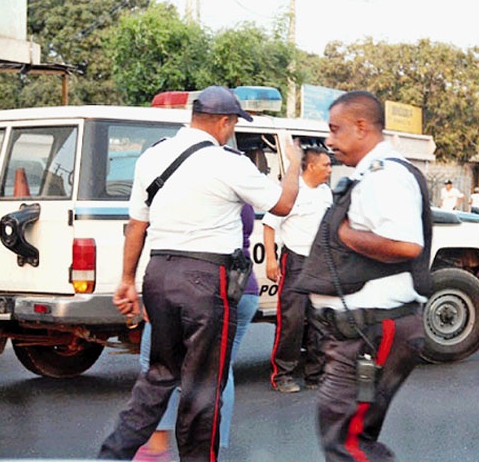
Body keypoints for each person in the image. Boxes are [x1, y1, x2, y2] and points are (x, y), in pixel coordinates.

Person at [98, 85, 302, 462]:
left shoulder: (153, 155)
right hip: (207, 281)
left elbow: (137, 225)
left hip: (158, 275)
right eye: (234, 124)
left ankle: (111, 456)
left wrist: (127, 280)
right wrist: (293, 166)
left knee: (157, 377)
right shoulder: (229, 162)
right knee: (202, 388)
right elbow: (284, 203)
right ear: (224, 122)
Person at [296, 91, 431, 462]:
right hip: (360, 332)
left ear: (361, 127)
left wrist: (345, 234)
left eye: (335, 130)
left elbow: (406, 245)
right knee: (352, 439)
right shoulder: (369, 174)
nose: (329, 140)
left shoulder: (385, 176)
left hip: (371, 331)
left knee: (347, 444)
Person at [133, 204, 261, 462]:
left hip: (200, 286)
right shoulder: (239, 179)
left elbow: (166, 239)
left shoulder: (198, 182)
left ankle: (157, 448)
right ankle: (212, 450)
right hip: (242, 287)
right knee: (219, 369)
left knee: (156, 362)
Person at [263, 147, 333, 393]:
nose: (329, 169)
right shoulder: (291, 191)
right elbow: (270, 225)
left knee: (320, 321)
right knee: (291, 321)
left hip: (320, 263)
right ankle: (283, 375)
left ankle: (315, 374)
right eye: (326, 165)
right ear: (311, 166)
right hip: (295, 261)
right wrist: (271, 259)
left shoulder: (326, 193)